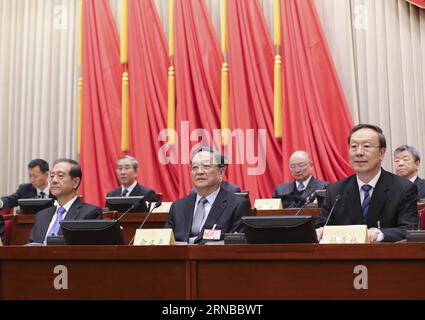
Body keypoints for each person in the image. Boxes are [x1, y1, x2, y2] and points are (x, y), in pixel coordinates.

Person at [316, 124, 419, 242]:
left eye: (366, 146)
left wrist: (377, 233)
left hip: (385, 257)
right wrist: (320, 232)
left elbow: (409, 230)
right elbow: (322, 228)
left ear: (381, 153)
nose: (359, 152)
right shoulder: (335, 191)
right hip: (344, 257)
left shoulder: (403, 189)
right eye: (354, 146)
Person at [165, 147, 251, 244]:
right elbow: (166, 241)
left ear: (221, 172)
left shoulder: (237, 205)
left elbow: (238, 244)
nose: (199, 172)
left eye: (206, 166)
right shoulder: (177, 207)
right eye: (195, 167)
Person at [28, 159, 102, 244]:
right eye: (52, 176)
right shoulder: (41, 216)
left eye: (60, 176)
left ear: (75, 182)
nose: (54, 180)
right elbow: (30, 248)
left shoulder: (90, 213)